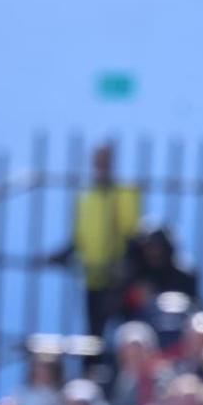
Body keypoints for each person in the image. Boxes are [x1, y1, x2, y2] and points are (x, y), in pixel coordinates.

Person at [60, 141, 140, 341]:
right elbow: (79, 235)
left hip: (118, 278)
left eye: (105, 161)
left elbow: (132, 233)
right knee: (94, 335)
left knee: (123, 332)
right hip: (92, 275)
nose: (100, 166)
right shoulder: (86, 193)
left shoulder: (124, 192)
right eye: (98, 161)